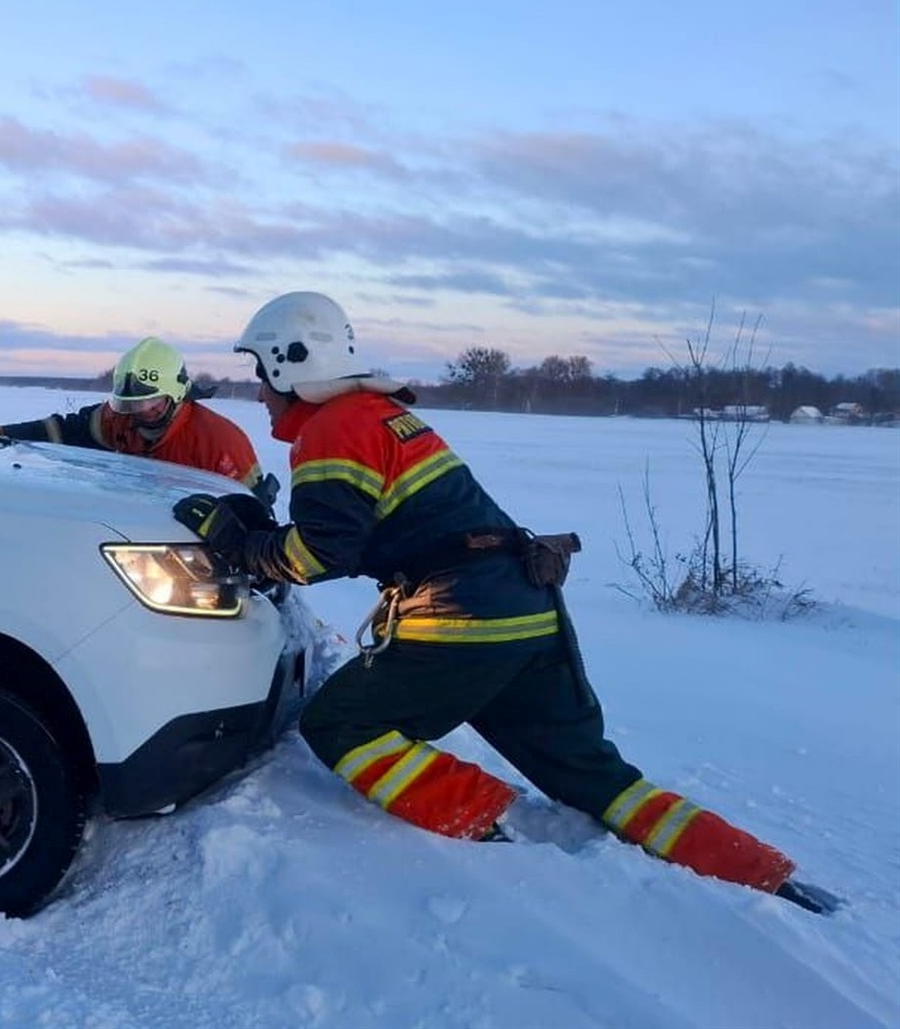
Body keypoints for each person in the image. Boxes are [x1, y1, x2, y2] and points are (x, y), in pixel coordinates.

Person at [172, 291, 828, 909]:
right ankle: (762, 874)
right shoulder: (385, 417)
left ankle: (491, 820)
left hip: (464, 620)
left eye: (260, 372)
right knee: (595, 775)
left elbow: (324, 552)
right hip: (526, 606)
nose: (257, 391)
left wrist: (244, 545)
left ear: (291, 366)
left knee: (340, 724)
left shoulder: (333, 430)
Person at [0, 336, 275, 501]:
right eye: (132, 405)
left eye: (152, 403)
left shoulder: (219, 442)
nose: (141, 413)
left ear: (176, 394)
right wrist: (1, 432)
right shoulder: (121, 420)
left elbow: (253, 508)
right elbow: (66, 429)